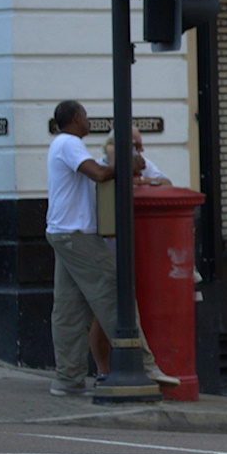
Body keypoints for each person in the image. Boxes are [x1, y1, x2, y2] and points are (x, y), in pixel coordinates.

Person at [45, 101, 177, 395]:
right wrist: (127, 166)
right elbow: (100, 174)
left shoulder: (60, 145)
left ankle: (68, 378)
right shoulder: (69, 143)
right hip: (77, 235)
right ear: (76, 118)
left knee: (68, 311)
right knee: (114, 293)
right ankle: (144, 365)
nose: (88, 121)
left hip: (61, 234)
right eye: (85, 117)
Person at [89, 127, 172, 375]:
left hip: (140, 248)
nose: (141, 150)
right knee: (103, 312)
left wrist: (142, 180)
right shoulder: (100, 168)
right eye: (136, 145)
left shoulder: (145, 166)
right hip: (107, 247)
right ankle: (103, 370)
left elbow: (166, 183)